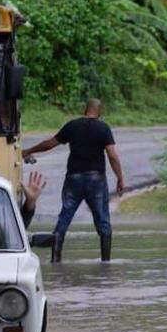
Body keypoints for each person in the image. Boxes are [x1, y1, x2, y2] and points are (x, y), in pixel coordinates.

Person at [22, 99, 124, 262]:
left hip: (73, 179)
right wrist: (120, 178)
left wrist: (28, 150)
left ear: (85, 109)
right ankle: (106, 262)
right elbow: (112, 155)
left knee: (65, 216)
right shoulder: (103, 128)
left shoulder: (72, 126)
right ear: (100, 112)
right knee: (103, 220)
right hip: (96, 179)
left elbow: (50, 144)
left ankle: (55, 260)